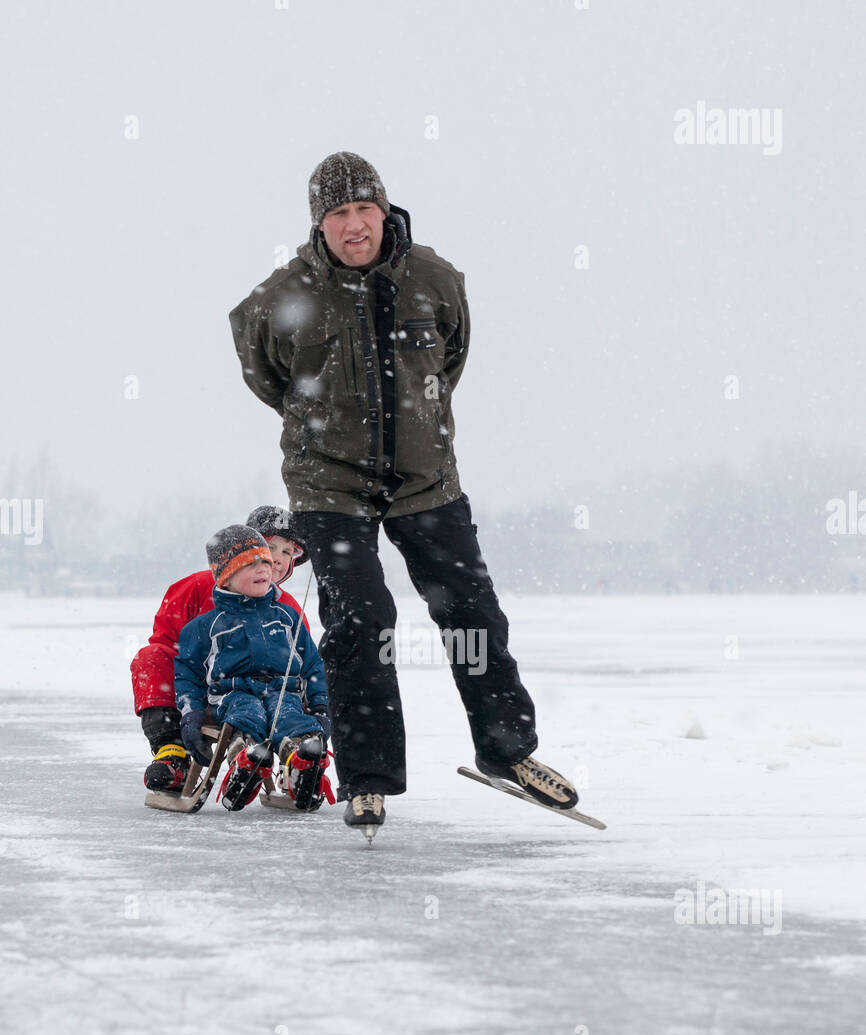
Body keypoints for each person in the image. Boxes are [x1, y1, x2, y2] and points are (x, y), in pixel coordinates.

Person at [229, 152, 577, 837]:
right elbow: (262, 370)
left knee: (472, 612)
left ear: (385, 212)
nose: (354, 226)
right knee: (361, 623)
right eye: (338, 215)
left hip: (425, 478)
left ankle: (510, 753)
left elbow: (448, 361)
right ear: (318, 224)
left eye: (365, 211)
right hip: (328, 483)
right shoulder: (280, 297)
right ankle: (368, 781)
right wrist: (318, 425)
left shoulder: (435, 280)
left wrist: (412, 425)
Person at [132, 506, 311, 793]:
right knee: (150, 658)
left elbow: (302, 666)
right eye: (269, 547)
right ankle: (172, 753)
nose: (277, 559)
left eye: (288, 552)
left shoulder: (288, 609)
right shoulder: (194, 587)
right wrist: (192, 700)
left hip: (255, 698)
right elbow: (166, 645)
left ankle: (294, 759)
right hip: (193, 691)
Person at [174, 524, 330, 807]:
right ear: (225, 577)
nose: (263, 570)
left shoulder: (287, 617)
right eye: (249, 565)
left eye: (266, 563)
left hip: (283, 692)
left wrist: (320, 706)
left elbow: (312, 665)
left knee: (289, 716)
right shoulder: (207, 626)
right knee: (248, 716)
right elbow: (187, 674)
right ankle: (245, 762)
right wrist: (192, 713)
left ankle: (302, 762)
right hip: (234, 695)